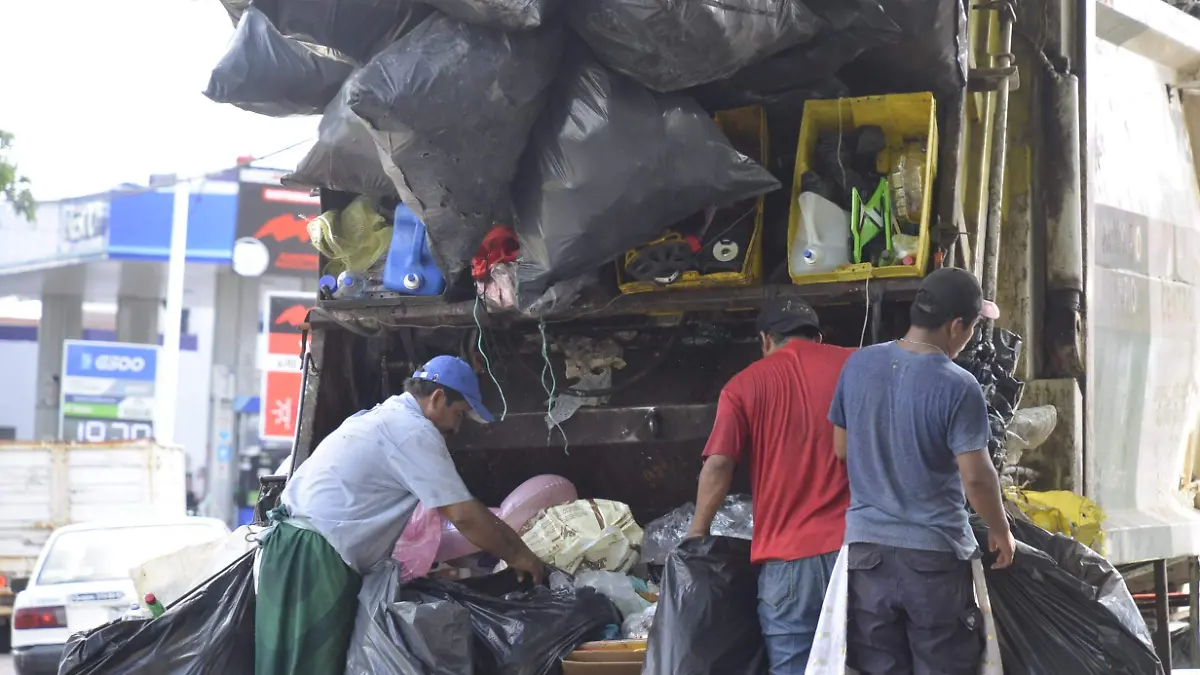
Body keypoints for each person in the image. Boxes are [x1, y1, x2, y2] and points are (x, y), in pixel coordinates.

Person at [255, 355, 546, 675]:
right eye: (459, 414)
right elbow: (464, 515)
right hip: (312, 555)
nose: (457, 427)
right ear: (437, 398)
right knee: (307, 666)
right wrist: (522, 556)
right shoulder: (413, 431)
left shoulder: (384, 417)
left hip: (297, 548)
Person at [828, 267, 1015, 675]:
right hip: (932, 558)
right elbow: (977, 477)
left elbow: (840, 448)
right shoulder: (957, 384)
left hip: (866, 556)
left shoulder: (858, 366)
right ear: (956, 326)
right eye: (972, 328)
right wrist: (1000, 529)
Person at [687, 298, 855, 674]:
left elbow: (719, 465)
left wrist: (697, 533)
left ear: (766, 340)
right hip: (859, 554)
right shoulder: (855, 364)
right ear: (819, 336)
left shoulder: (743, 385)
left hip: (789, 563)